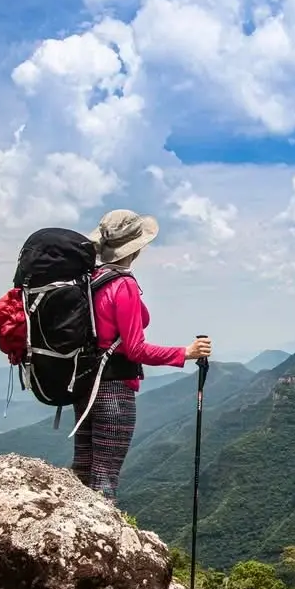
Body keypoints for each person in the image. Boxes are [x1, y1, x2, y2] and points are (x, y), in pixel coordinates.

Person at [72, 208, 212, 502]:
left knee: (83, 470)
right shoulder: (123, 286)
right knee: (105, 479)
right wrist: (185, 352)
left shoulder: (92, 280)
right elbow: (134, 348)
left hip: (86, 386)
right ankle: (102, 543)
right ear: (136, 248)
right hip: (114, 389)